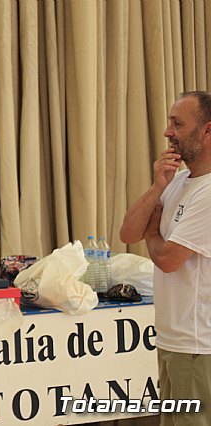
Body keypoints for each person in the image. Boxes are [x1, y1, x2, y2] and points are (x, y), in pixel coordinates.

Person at [120, 91, 211, 426]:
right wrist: (157, 187)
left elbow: (169, 259)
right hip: (172, 338)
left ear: (207, 131)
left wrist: (153, 232)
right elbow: (128, 233)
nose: (167, 132)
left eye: (177, 123)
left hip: (199, 344)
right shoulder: (179, 181)